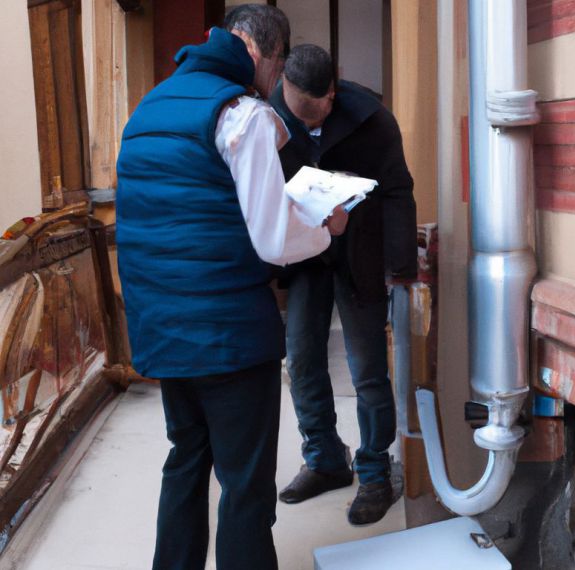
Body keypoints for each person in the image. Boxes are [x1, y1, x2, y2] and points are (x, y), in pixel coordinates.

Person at [116, 7, 347, 569]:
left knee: (186, 459)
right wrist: (325, 227)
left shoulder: (149, 107)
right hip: (230, 336)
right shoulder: (243, 115)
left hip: (163, 328)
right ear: (266, 57)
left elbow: (184, 211)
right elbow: (272, 240)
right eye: (275, 69)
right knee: (244, 485)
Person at [270, 44, 417, 525]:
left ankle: (375, 472)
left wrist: (399, 268)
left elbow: (397, 190)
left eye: (319, 109)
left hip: (362, 253)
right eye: (298, 110)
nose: (310, 121)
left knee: (367, 369)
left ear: (333, 92)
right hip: (308, 257)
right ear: (284, 89)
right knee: (303, 360)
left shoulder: (372, 119)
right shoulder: (270, 118)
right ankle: (327, 460)